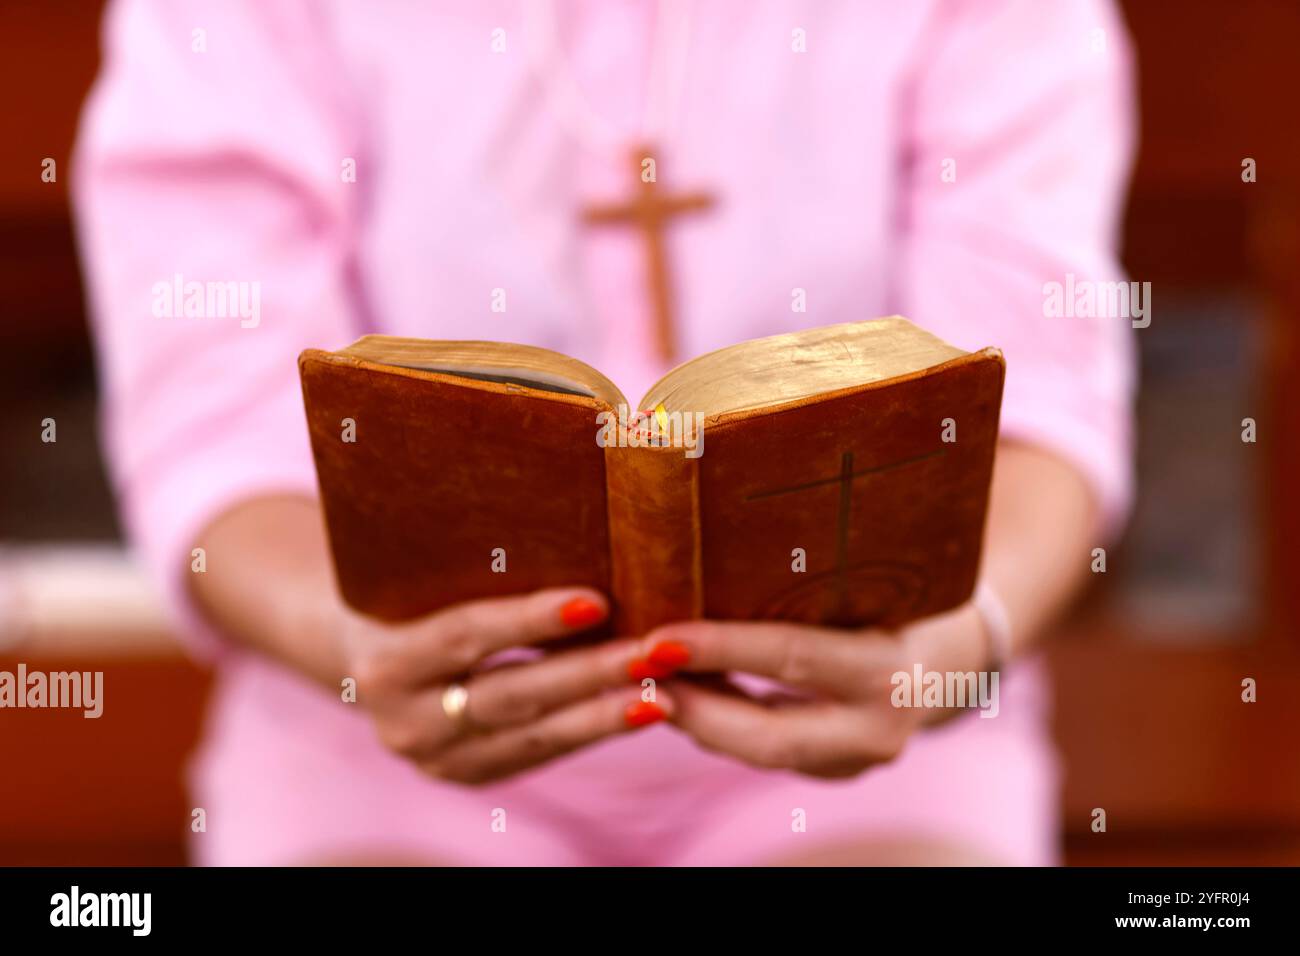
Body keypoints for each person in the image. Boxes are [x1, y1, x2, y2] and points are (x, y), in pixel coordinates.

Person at [74, 0, 1135, 866]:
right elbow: (215, 425)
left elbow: (1036, 409)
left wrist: (955, 645)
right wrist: (353, 646)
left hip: (872, 716)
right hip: (367, 737)